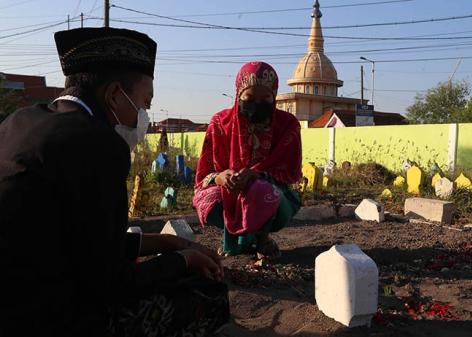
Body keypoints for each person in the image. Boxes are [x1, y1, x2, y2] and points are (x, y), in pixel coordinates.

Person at [0, 27, 229, 337]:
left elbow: (83, 240)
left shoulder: (21, 120)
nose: (144, 116)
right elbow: (110, 281)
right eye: (145, 103)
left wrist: (167, 242)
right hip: (39, 316)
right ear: (113, 95)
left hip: (19, 287)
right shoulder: (99, 145)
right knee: (207, 294)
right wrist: (183, 261)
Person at [193, 61, 302, 259]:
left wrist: (255, 175)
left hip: (276, 195)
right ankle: (233, 239)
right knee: (209, 200)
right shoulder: (220, 123)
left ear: (274, 96)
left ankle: (263, 239)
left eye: (265, 98)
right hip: (227, 190)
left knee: (261, 190)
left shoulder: (287, 125)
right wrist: (221, 177)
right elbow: (204, 176)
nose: (257, 104)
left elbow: (290, 172)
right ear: (238, 95)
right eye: (249, 97)